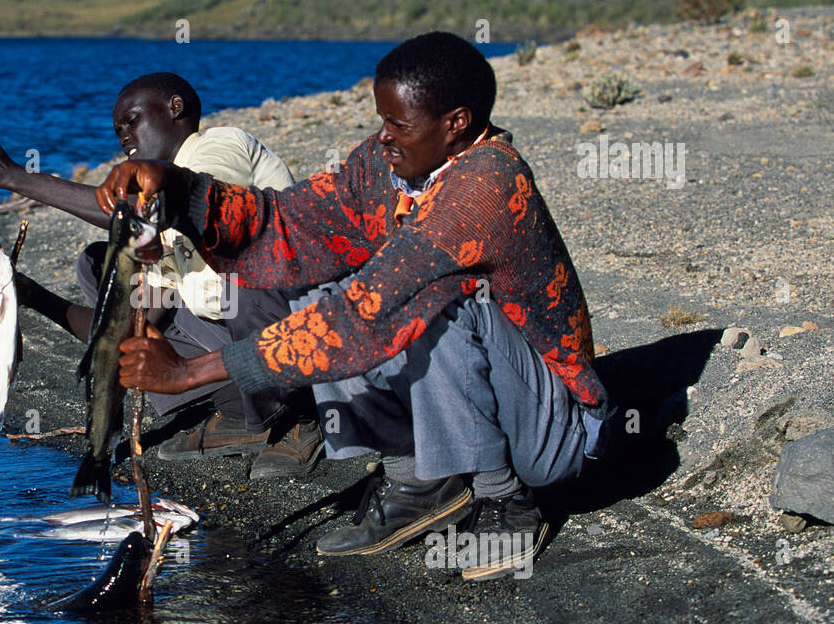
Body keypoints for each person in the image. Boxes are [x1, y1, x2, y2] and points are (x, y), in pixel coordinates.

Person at [98, 33, 615, 580]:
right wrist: (177, 189)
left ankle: (505, 498)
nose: (384, 137)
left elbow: (363, 316)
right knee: (314, 280)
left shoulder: (485, 186)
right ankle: (419, 479)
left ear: (456, 123)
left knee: (433, 300)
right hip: (489, 395)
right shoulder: (386, 168)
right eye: (382, 120)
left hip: (549, 433)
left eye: (399, 125)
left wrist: (189, 372)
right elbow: (290, 221)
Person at [0, 72, 323, 479]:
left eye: (131, 120)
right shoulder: (167, 243)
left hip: (299, 328)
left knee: (246, 281)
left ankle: (300, 416)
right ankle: (245, 413)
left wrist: (13, 177)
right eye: (116, 130)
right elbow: (124, 329)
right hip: (237, 329)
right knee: (101, 265)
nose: (123, 136)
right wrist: (31, 296)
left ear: (175, 108)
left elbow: (152, 206)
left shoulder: (218, 146)